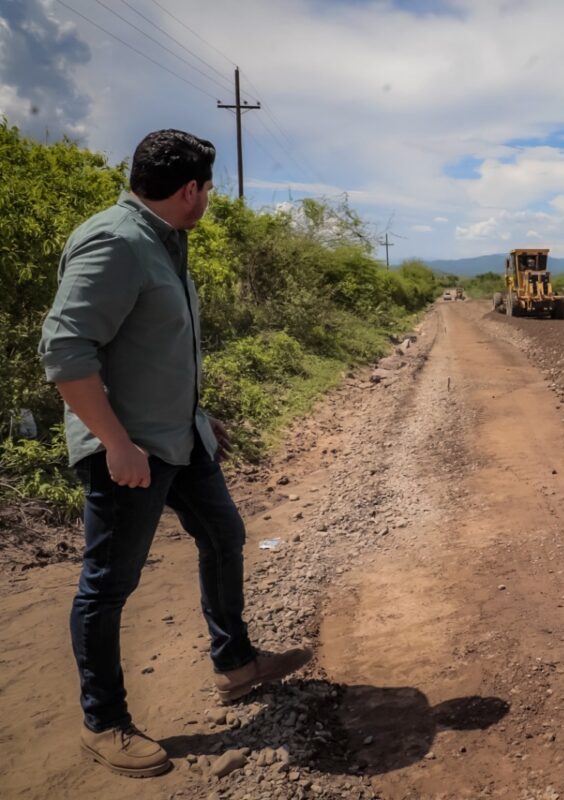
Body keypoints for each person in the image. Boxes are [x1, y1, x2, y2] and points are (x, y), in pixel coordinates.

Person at [40, 130, 312, 778]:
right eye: (209, 188)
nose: (210, 198)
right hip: (130, 451)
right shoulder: (116, 241)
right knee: (108, 586)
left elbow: (153, 345)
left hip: (179, 437)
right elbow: (64, 352)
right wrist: (116, 443)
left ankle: (235, 664)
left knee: (224, 534)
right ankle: (103, 723)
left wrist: (194, 411)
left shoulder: (164, 242)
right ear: (190, 190)